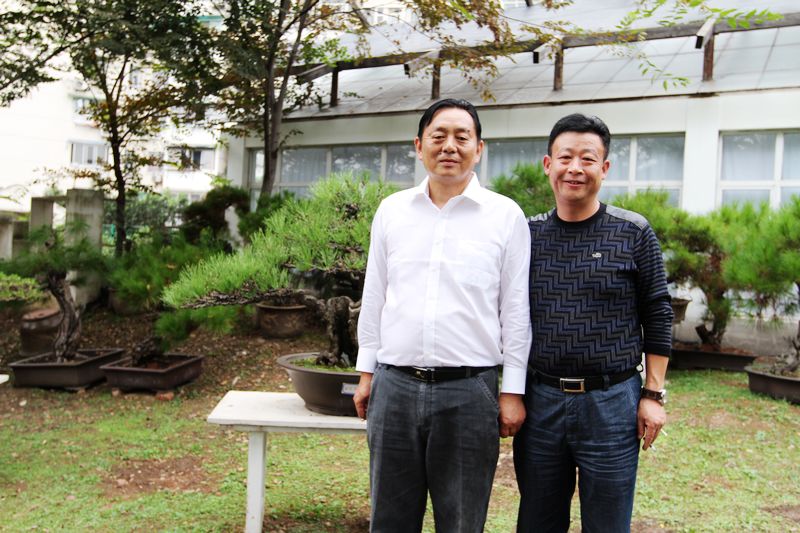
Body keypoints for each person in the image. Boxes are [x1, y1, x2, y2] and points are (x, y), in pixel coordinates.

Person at [353, 98, 532, 533]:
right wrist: (366, 372)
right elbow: (375, 295)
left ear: (479, 148)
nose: (449, 146)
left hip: (469, 392)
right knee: (390, 520)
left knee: (462, 522)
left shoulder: (505, 216)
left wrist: (512, 390)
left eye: (461, 137)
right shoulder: (392, 211)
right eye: (438, 136)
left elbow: (515, 310)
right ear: (419, 146)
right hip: (394, 387)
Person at [513, 113, 673, 533]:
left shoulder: (633, 232)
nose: (575, 169)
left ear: (604, 168)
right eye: (565, 157)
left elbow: (658, 312)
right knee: (538, 521)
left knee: (607, 523)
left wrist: (653, 394)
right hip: (541, 400)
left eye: (587, 159)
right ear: (548, 164)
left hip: (612, 402)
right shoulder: (526, 235)